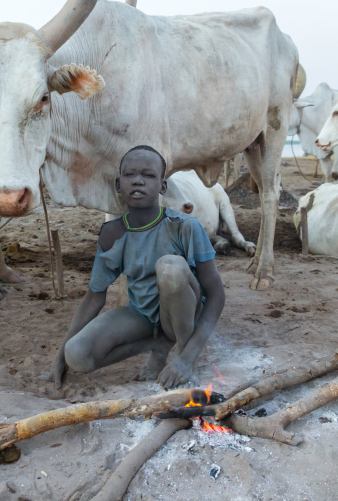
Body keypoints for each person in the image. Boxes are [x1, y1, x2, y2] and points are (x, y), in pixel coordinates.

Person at [47, 145, 225, 389]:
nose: (138, 181)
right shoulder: (112, 233)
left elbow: (216, 293)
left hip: (183, 315)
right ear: (119, 184)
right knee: (77, 354)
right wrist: (60, 358)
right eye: (130, 175)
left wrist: (187, 358)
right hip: (141, 316)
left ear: (162, 186)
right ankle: (157, 345)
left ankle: (182, 357)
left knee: (170, 268)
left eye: (149, 175)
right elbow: (94, 297)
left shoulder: (184, 226)